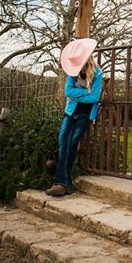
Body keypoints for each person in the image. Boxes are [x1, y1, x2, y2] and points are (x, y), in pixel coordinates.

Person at [46, 38, 103, 197]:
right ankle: (63, 182)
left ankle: (62, 182)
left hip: (85, 114)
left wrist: (80, 96)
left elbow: (95, 97)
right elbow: (68, 92)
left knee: (72, 143)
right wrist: (85, 93)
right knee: (63, 141)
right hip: (70, 112)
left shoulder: (97, 74)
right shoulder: (72, 73)